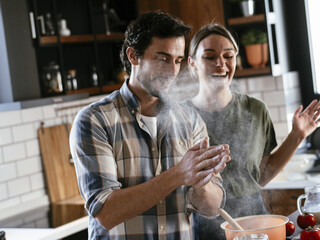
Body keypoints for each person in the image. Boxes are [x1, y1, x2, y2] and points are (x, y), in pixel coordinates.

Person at [69, 12, 231, 240]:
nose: (173, 71)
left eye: (178, 60)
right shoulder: (95, 120)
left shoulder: (189, 120)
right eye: (162, 58)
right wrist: (179, 174)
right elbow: (105, 212)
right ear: (133, 56)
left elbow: (212, 209)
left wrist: (200, 183)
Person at [187, 23, 320, 239]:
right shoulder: (181, 117)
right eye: (210, 57)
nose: (221, 63)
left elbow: (261, 174)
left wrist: (297, 135)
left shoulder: (255, 110)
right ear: (192, 64)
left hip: (256, 224)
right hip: (204, 227)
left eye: (228, 56)